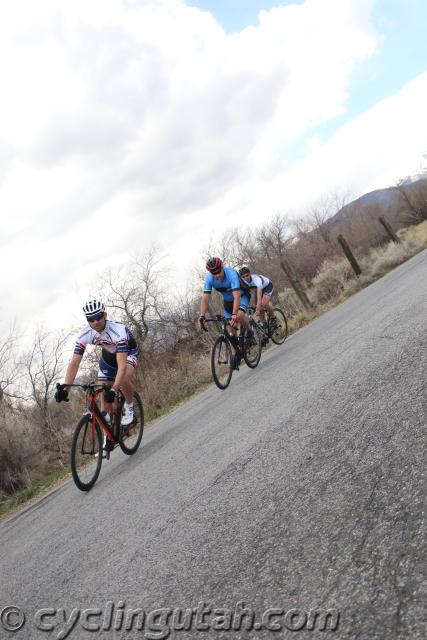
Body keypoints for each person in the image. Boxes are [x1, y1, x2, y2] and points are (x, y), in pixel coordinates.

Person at [55, 299, 139, 436]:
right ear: (87, 320)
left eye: (98, 317)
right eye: (91, 319)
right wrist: (66, 388)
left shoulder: (118, 331)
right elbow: (75, 362)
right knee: (103, 395)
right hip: (109, 355)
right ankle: (108, 438)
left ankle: (129, 406)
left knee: (122, 380)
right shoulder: (85, 333)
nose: (95, 322)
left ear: (105, 315)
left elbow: (122, 365)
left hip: (128, 352)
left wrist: (114, 389)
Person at [199, 257, 253, 368]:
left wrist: (234, 315)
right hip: (228, 302)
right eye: (214, 273)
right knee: (228, 327)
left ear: (222, 267)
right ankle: (235, 354)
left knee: (239, 315)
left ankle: (249, 330)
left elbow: (237, 296)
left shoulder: (231, 274)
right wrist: (202, 316)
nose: (217, 275)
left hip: (242, 296)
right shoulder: (210, 279)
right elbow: (205, 299)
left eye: (218, 271)